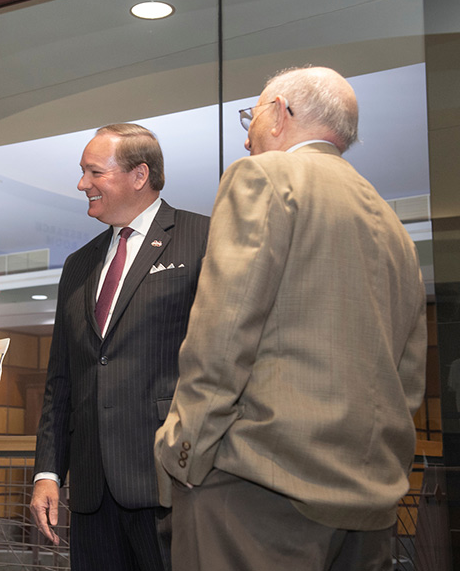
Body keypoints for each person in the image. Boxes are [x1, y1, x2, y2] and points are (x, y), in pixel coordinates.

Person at [154, 67, 427, 571]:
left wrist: (181, 451)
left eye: (251, 115)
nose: (247, 133)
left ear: (280, 114)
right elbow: (407, 377)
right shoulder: (394, 228)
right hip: (369, 504)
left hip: (255, 492)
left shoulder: (263, 176)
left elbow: (224, 332)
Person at [30, 123, 209, 570]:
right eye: (81, 172)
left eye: (94, 172)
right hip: (91, 495)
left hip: (171, 485)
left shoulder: (205, 238)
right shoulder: (79, 264)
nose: (81, 184)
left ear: (138, 175)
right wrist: (48, 472)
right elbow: (60, 380)